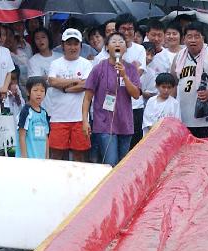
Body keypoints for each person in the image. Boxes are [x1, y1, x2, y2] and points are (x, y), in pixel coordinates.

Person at [83, 32, 141, 167]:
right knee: (111, 163)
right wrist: (85, 121)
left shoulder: (131, 69)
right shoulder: (99, 68)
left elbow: (136, 94)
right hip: (104, 123)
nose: (117, 44)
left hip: (125, 123)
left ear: (125, 48)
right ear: (107, 47)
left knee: (123, 165)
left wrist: (124, 76)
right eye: (113, 41)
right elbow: (87, 98)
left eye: (121, 42)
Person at [93, 14, 146, 149]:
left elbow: (137, 74)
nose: (127, 32)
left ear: (135, 32)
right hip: (110, 107)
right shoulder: (105, 52)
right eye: (123, 29)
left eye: (130, 29)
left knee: (131, 151)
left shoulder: (140, 49)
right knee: (109, 152)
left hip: (133, 106)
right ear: (117, 30)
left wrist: (124, 73)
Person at [47, 28, 92, 162]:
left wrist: (64, 88)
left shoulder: (86, 64)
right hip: (59, 117)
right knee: (56, 154)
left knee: (80, 155)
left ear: (80, 46)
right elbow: (52, 81)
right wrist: (75, 81)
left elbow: (85, 85)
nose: (72, 47)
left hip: (80, 117)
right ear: (62, 46)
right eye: (69, 44)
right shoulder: (55, 63)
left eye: (75, 44)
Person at [172, 22, 208, 139]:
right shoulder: (178, 56)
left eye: (197, 36)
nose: (193, 40)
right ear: (184, 39)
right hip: (183, 117)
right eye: (189, 36)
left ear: (203, 38)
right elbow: (173, 83)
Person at [16, 77, 50, 159]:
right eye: (35, 90)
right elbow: (22, 135)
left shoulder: (44, 113)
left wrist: (47, 157)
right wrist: (24, 158)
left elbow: (46, 137)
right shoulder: (26, 111)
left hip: (41, 158)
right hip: (29, 158)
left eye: (42, 91)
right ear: (28, 92)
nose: (39, 93)